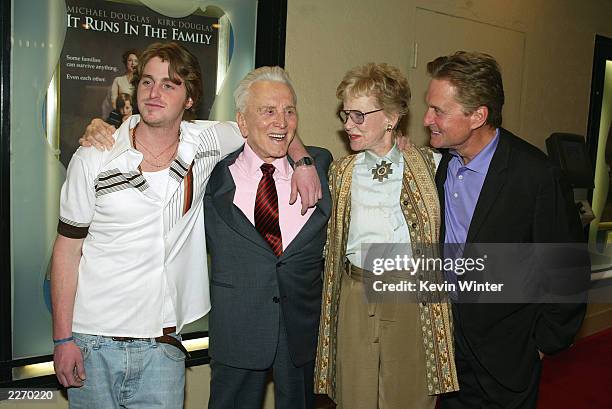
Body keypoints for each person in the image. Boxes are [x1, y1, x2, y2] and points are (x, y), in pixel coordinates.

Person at [52, 42, 319, 408]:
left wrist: (303, 161)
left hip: (164, 346)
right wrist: (62, 339)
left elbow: (272, 127)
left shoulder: (206, 142)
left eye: (169, 84)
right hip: (93, 342)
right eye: (147, 82)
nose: (153, 93)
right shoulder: (95, 154)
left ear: (190, 98)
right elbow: (67, 250)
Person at [424, 51, 589, 409]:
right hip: (449, 348)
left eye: (438, 110)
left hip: (507, 354)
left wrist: (544, 342)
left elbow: (568, 267)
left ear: (478, 115)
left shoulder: (535, 175)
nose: (427, 119)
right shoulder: (441, 164)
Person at [314, 63, 458, 409]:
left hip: (409, 295)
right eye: (345, 114)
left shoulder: (431, 165)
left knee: (408, 394)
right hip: (353, 293)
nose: (348, 124)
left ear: (392, 117)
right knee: (354, 395)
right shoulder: (341, 171)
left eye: (359, 115)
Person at [204, 66, 332, 409]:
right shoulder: (211, 178)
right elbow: (168, 127)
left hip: (301, 333)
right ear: (242, 122)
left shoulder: (321, 167)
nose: (282, 121)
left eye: (289, 111)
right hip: (237, 329)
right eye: (269, 111)